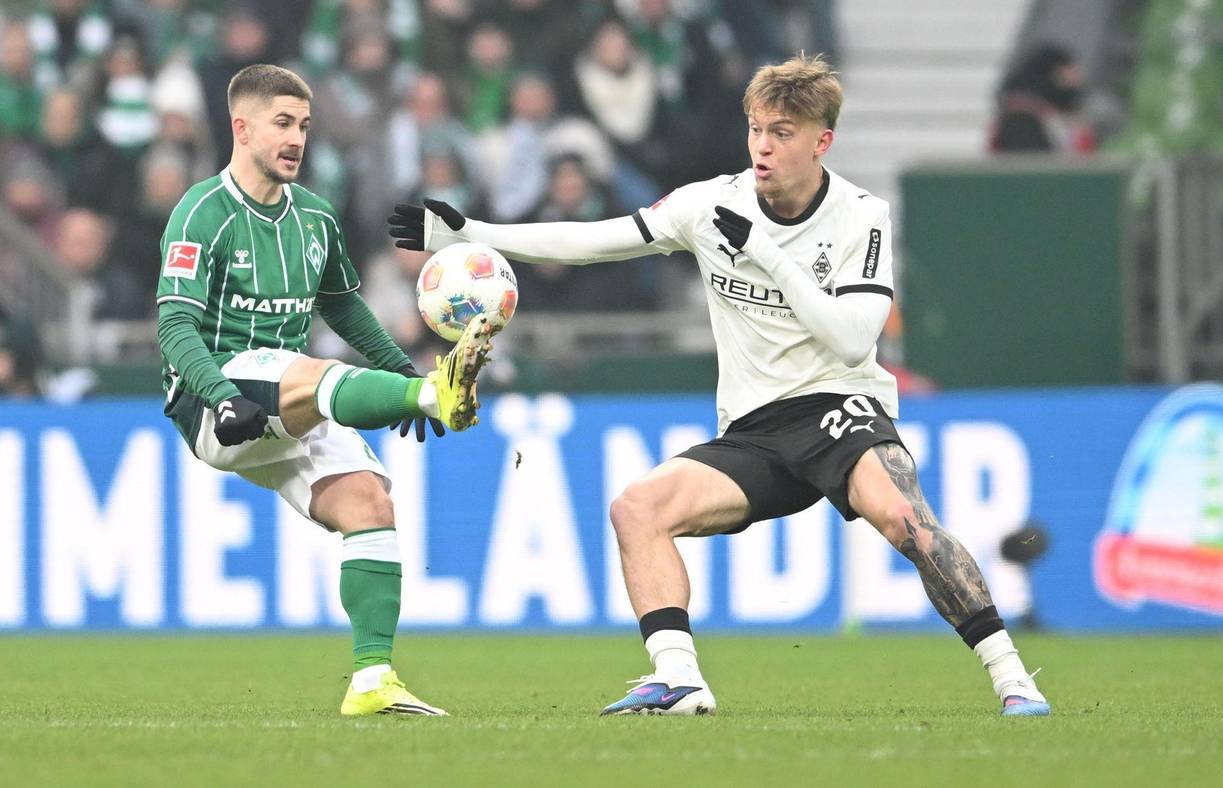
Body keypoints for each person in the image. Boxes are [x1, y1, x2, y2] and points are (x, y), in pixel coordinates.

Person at [389, 54, 1052, 718]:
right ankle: (679, 678)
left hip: (838, 409)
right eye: (756, 129)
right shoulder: (708, 204)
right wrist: (470, 233)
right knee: (636, 510)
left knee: (905, 521)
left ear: (822, 141)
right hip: (754, 431)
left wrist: (766, 252)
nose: (763, 146)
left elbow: (852, 339)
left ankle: (1013, 679)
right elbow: (593, 240)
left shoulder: (861, 215)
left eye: (783, 133)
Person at [156, 63, 498, 717]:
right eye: (283, 123)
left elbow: (341, 306)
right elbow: (174, 325)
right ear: (242, 128)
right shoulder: (202, 212)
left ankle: (372, 680)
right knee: (312, 372)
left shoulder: (315, 216)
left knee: (369, 503)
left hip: (284, 398)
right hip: (214, 398)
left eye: (305, 126)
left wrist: (398, 368)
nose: (297, 139)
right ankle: (437, 394)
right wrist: (220, 394)